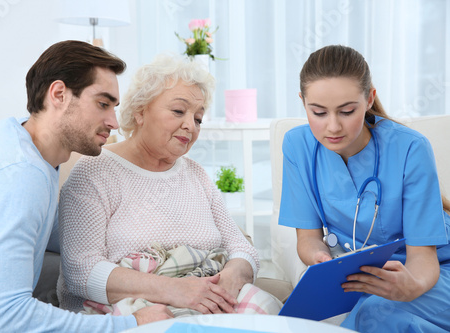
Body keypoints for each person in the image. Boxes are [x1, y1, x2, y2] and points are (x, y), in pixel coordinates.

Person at [0, 40, 172, 333]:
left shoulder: (23, 142)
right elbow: (7, 320)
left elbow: (54, 232)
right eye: (103, 104)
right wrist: (130, 325)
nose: (114, 122)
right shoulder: (18, 175)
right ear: (59, 94)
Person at [57, 54, 282, 317]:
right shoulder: (94, 171)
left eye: (198, 119)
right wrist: (176, 290)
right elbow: (80, 271)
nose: (190, 125)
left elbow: (241, 246)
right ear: (140, 111)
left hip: (207, 299)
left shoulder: (196, 175)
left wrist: (231, 278)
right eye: (178, 111)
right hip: (132, 309)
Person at [278, 44, 450, 332]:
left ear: (369, 98)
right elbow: (307, 238)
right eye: (318, 112)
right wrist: (321, 260)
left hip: (432, 272)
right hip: (363, 276)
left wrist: (411, 286)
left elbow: (424, 258)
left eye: (346, 111)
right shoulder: (297, 146)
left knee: (376, 314)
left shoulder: (410, 148)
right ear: (302, 101)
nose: (332, 127)